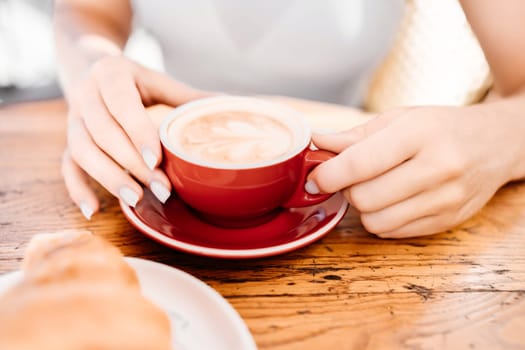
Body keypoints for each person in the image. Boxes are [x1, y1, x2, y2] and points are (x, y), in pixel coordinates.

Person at [54, 0, 525, 238]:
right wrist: (91, 73)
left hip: (359, 180)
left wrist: (497, 138)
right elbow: (87, 12)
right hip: (172, 158)